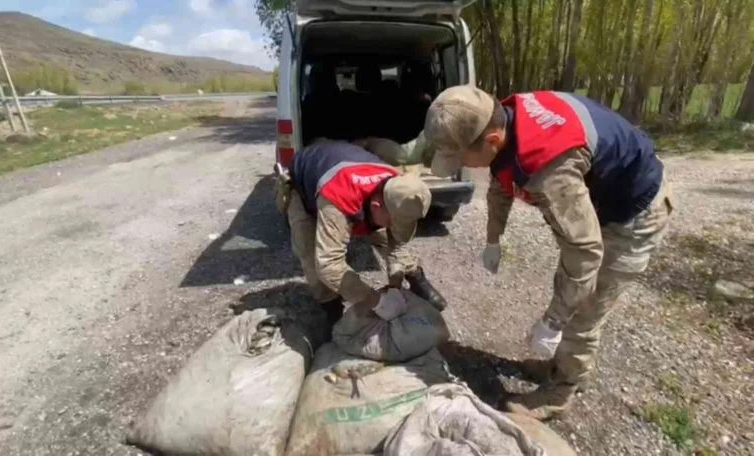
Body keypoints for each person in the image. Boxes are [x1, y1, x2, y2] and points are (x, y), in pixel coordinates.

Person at [423, 86, 673, 420]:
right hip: (603, 196)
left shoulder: (547, 166)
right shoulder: (504, 120)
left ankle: (562, 390)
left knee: (585, 304)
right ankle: (560, 365)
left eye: (460, 158)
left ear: (492, 140)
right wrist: (493, 239)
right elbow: (500, 183)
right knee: (572, 285)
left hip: (633, 214)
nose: (461, 166)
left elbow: (585, 252)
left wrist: (553, 322)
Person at [284, 139, 447, 327]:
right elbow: (329, 265)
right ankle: (331, 306)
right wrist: (376, 301)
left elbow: (397, 241)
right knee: (309, 250)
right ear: (376, 206)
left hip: (345, 165)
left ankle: (416, 277)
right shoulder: (340, 198)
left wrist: (395, 283)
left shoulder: (398, 186)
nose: (393, 227)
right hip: (307, 180)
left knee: (384, 234)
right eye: (391, 221)